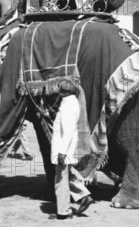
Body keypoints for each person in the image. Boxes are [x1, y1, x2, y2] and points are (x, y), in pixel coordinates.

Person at [52, 90, 93, 219]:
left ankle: (63, 212)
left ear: (63, 91)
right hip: (67, 149)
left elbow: (67, 131)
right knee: (67, 176)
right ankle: (83, 196)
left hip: (63, 150)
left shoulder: (67, 105)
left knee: (60, 180)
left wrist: (62, 153)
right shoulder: (71, 102)